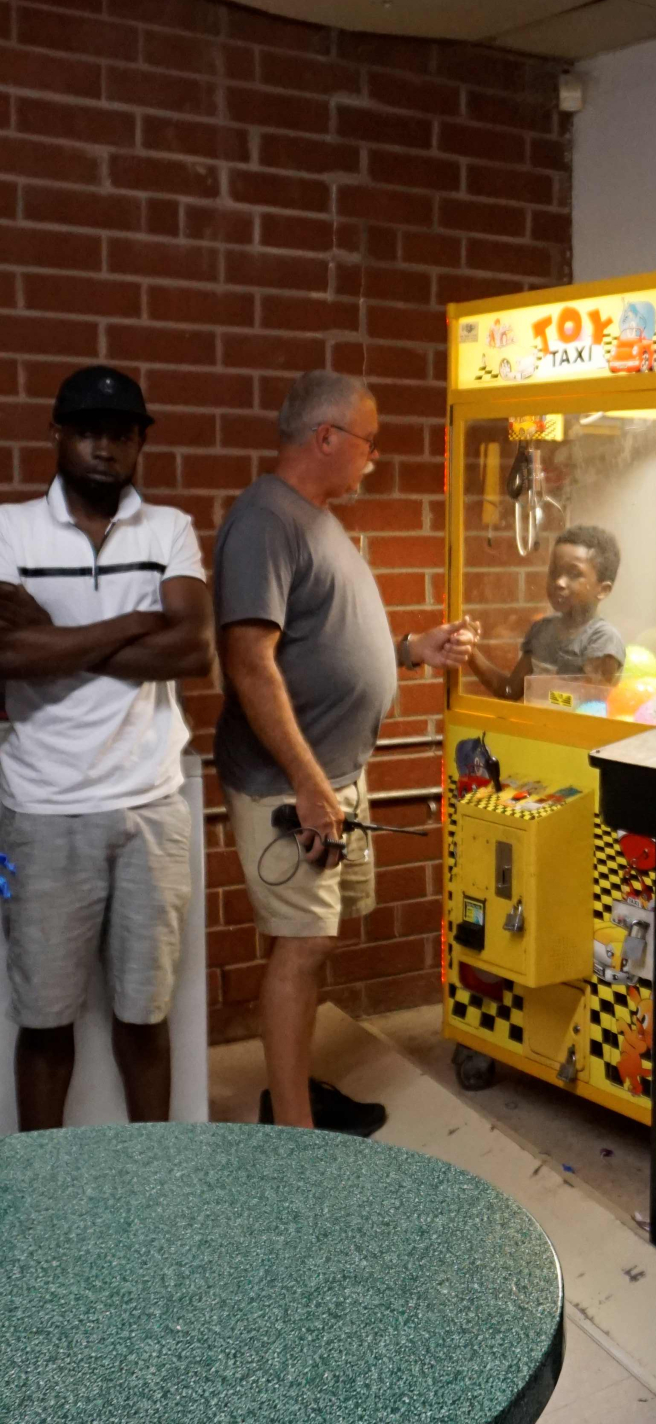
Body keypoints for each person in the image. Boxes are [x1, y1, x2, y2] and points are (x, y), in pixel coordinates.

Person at [213, 370, 472, 1132]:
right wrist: (308, 781)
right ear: (325, 437)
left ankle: (293, 1091)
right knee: (302, 945)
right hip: (291, 785)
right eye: (368, 441)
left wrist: (408, 651)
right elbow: (250, 662)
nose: (375, 457)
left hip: (331, 776)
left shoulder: (313, 516)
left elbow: (319, 642)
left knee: (314, 942)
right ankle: (294, 1133)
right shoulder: (266, 519)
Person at [0, 366, 214, 1127]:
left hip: (149, 807)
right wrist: (133, 622)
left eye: (121, 434)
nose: (105, 447)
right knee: (45, 1019)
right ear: (57, 434)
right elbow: (6, 658)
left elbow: (193, 650)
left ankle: (149, 1179)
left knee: (144, 1015)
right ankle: (37, 1194)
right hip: (42, 809)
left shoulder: (168, 530)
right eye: (88, 430)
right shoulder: (10, 530)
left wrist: (51, 637)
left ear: (138, 444)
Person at [467, 524, 624, 700]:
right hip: (534, 727)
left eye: (574, 574)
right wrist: (469, 651)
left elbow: (590, 707)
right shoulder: (541, 630)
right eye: (554, 572)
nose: (559, 582)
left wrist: (542, 692)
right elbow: (509, 691)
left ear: (603, 590)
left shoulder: (603, 639)